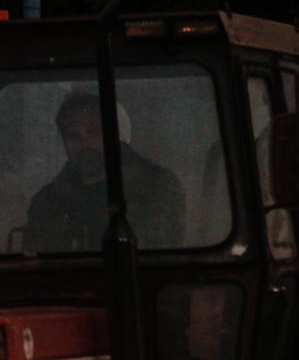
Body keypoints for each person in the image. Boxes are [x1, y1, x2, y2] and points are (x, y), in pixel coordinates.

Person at [26, 93, 184, 253]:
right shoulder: (48, 203)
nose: (84, 146)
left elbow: (166, 259)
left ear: (113, 134)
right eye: (74, 136)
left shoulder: (156, 188)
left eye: (94, 133)